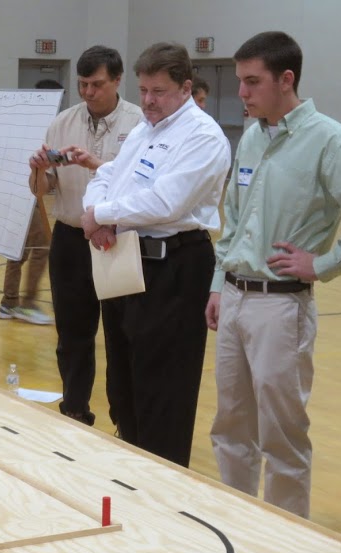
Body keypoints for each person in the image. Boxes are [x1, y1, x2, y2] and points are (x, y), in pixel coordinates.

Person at [206, 31, 341, 519]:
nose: (242, 93)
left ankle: (287, 537)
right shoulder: (251, 136)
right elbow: (232, 219)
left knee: (281, 434)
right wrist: (217, 285)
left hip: (281, 306)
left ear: (286, 80)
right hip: (234, 299)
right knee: (230, 426)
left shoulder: (330, 141)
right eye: (240, 82)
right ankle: (239, 527)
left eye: (252, 82)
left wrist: (324, 263)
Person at [81, 42, 230, 467]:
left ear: (186, 88)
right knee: (124, 383)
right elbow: (108, 173)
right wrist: (94, 210)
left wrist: (102, 214)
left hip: (175, 266)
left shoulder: (202, 136)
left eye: (159, 91)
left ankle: (163, 487)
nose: (148, 100)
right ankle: (131, 473)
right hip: (127, 261)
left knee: (163, 390)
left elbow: (167, 203)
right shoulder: (146, 129)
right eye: (144, 90)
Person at [28, 46, 142, 425]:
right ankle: (75, 410)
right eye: (82, 85)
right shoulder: (62, 122)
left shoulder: (140, 123)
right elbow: (42, 188)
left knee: (120, 335)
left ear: (117, 80)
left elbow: (140, 184)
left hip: (118, 240)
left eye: (97, 84)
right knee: (72, 335)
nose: (89, 93)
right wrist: (39, 169)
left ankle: (125, 419)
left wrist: (96, 163)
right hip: (71, 239)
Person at [0, 78, 63, 327]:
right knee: (43, 248)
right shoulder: (41, 126)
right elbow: (45, 158)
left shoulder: (24, 123)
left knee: (18, 252)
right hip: (24, 196)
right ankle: (26, 304)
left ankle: (9, 302)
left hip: (15, 195)